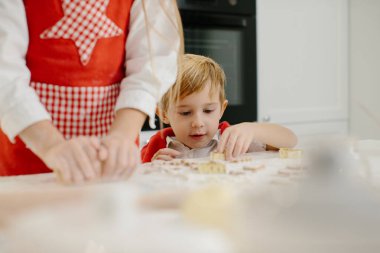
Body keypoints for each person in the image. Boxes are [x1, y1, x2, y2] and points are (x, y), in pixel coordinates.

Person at [0, 0, 183, 183]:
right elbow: (5, 75)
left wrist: (121, 137)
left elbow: (150, 67)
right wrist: (51, 146)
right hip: (27, 161)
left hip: (113, 164)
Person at [141, 54, 297, 163]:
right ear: (163, 114)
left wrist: (253, 129)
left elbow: (290, 140)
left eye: (208, 111)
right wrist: (153, 168)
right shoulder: (156, 146)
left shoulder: (232, 139)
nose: (198, 123)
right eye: (185, 113)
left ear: (222, 109)